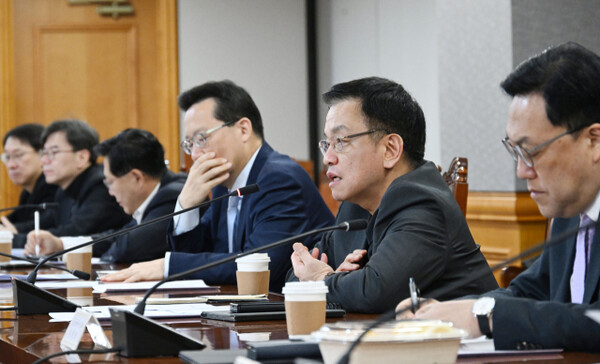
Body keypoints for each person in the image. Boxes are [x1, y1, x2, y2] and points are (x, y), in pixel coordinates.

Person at [396, 42, 600, 353]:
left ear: (593, 140)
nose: (521, 171)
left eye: (532, 151)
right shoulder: (571, 209)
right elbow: (531, 290)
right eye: (515, 151)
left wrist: (485, 316)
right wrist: (448, 311)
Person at [288, 77, 497, 313]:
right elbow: (297, 274)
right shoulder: (356, 203)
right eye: (327, 144)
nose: (328, 158)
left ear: (390, 149)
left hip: (462, 346)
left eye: (341, 141)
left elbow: (374, 291)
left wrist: (323, 281)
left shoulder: (425, 205)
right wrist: (333, 279)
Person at [102, 80, 335, 292]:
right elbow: (208, 259)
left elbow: (259, 265)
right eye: (189, 143)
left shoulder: (280, 179)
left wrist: (168, 266)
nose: (194, 154)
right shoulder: (224, 183)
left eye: (202, 138)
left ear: (243, 129)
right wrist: (187, 205)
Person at [24, 128, 187, 263]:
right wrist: (60, 245)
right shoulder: (156, 194)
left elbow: (127, 248)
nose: (109, 192)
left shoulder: (173, 195)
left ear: (136, 177)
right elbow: (117, 237)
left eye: (110, 182)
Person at [14, 119, 130, 248]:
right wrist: (12, 231)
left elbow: (77, 233)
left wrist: (13, 239)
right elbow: (45, 223)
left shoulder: (100, 185)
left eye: (54, 152)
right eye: (44, 153)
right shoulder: (64, 189)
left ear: (82, 157)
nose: (44, 161)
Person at [0, 123, 57, 234]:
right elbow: (12, 221)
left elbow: (47, 224)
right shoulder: (28, 191)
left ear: (43, 154)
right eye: (7, 157)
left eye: (19, 155)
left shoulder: (54, 188)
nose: (11, 165)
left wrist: (13, 231)